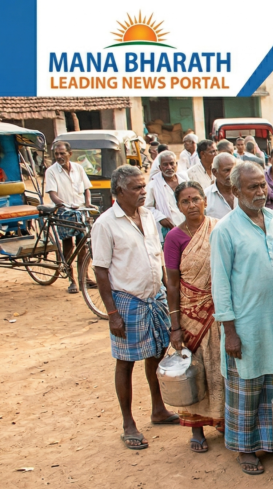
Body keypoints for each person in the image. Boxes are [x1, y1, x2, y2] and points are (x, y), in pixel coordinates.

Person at [91, 165, 178, 451]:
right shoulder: (105, 224)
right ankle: (128, 423)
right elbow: (101, 271)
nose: (143, 192)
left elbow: (157, 258)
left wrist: (166, 289)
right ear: (118, 192)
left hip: (155, 297)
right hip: (127, 300)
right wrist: (112, 314)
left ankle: (158, 409)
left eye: (144, 187)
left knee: (156, 354)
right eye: (136, 188)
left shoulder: (148, 216)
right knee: (126, 362)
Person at [210, 161, 273, 476]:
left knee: (272, 382)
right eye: (252, 187)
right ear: (236, 191)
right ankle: (244, 448)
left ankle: (269, 442)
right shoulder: (226, 229)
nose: (260, 192)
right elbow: (221, 284)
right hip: (245, 324)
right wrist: (230, 331)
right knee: (246, 387)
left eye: (262, 185)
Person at [164, 180, 225, 453]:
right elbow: (173, 284)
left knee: (220, 368)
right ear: (178, 206)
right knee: (195, 369)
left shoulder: (218, 228)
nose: (191, 205)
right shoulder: (174, 238)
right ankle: (196, 428)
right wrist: (175, 326)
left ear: (205, 200)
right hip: (191, 314)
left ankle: (222, 419)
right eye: (185, 201)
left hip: (220, 311)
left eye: (195, 199)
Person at [45, 141, 92, 293]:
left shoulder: (78, 168)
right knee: (68, 246)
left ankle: (84, 278)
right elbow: (52, 194)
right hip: (64, 212)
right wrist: (63, 204)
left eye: (62, 153)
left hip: (81, 211)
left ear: (69, 154)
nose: (59, 157)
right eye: (56, 154)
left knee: (84, 246)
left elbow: (86, 189)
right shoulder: (51, 171)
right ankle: (71, 280)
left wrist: (88, 203)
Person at [146, 151, 188, 238]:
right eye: (165, 164)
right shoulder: (153, 185)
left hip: (187, 227)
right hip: (167, 230)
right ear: (160, 167)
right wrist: (160, 218)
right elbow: (146, 207)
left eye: (172, 164)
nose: (169, 167)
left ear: (176, 164)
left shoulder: (185, 181)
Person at [205, 153, 236, 220]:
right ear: (215, 172)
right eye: (227, 170)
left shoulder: (244, 193)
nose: (231, 174)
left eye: (233, 170)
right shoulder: (206, 196)